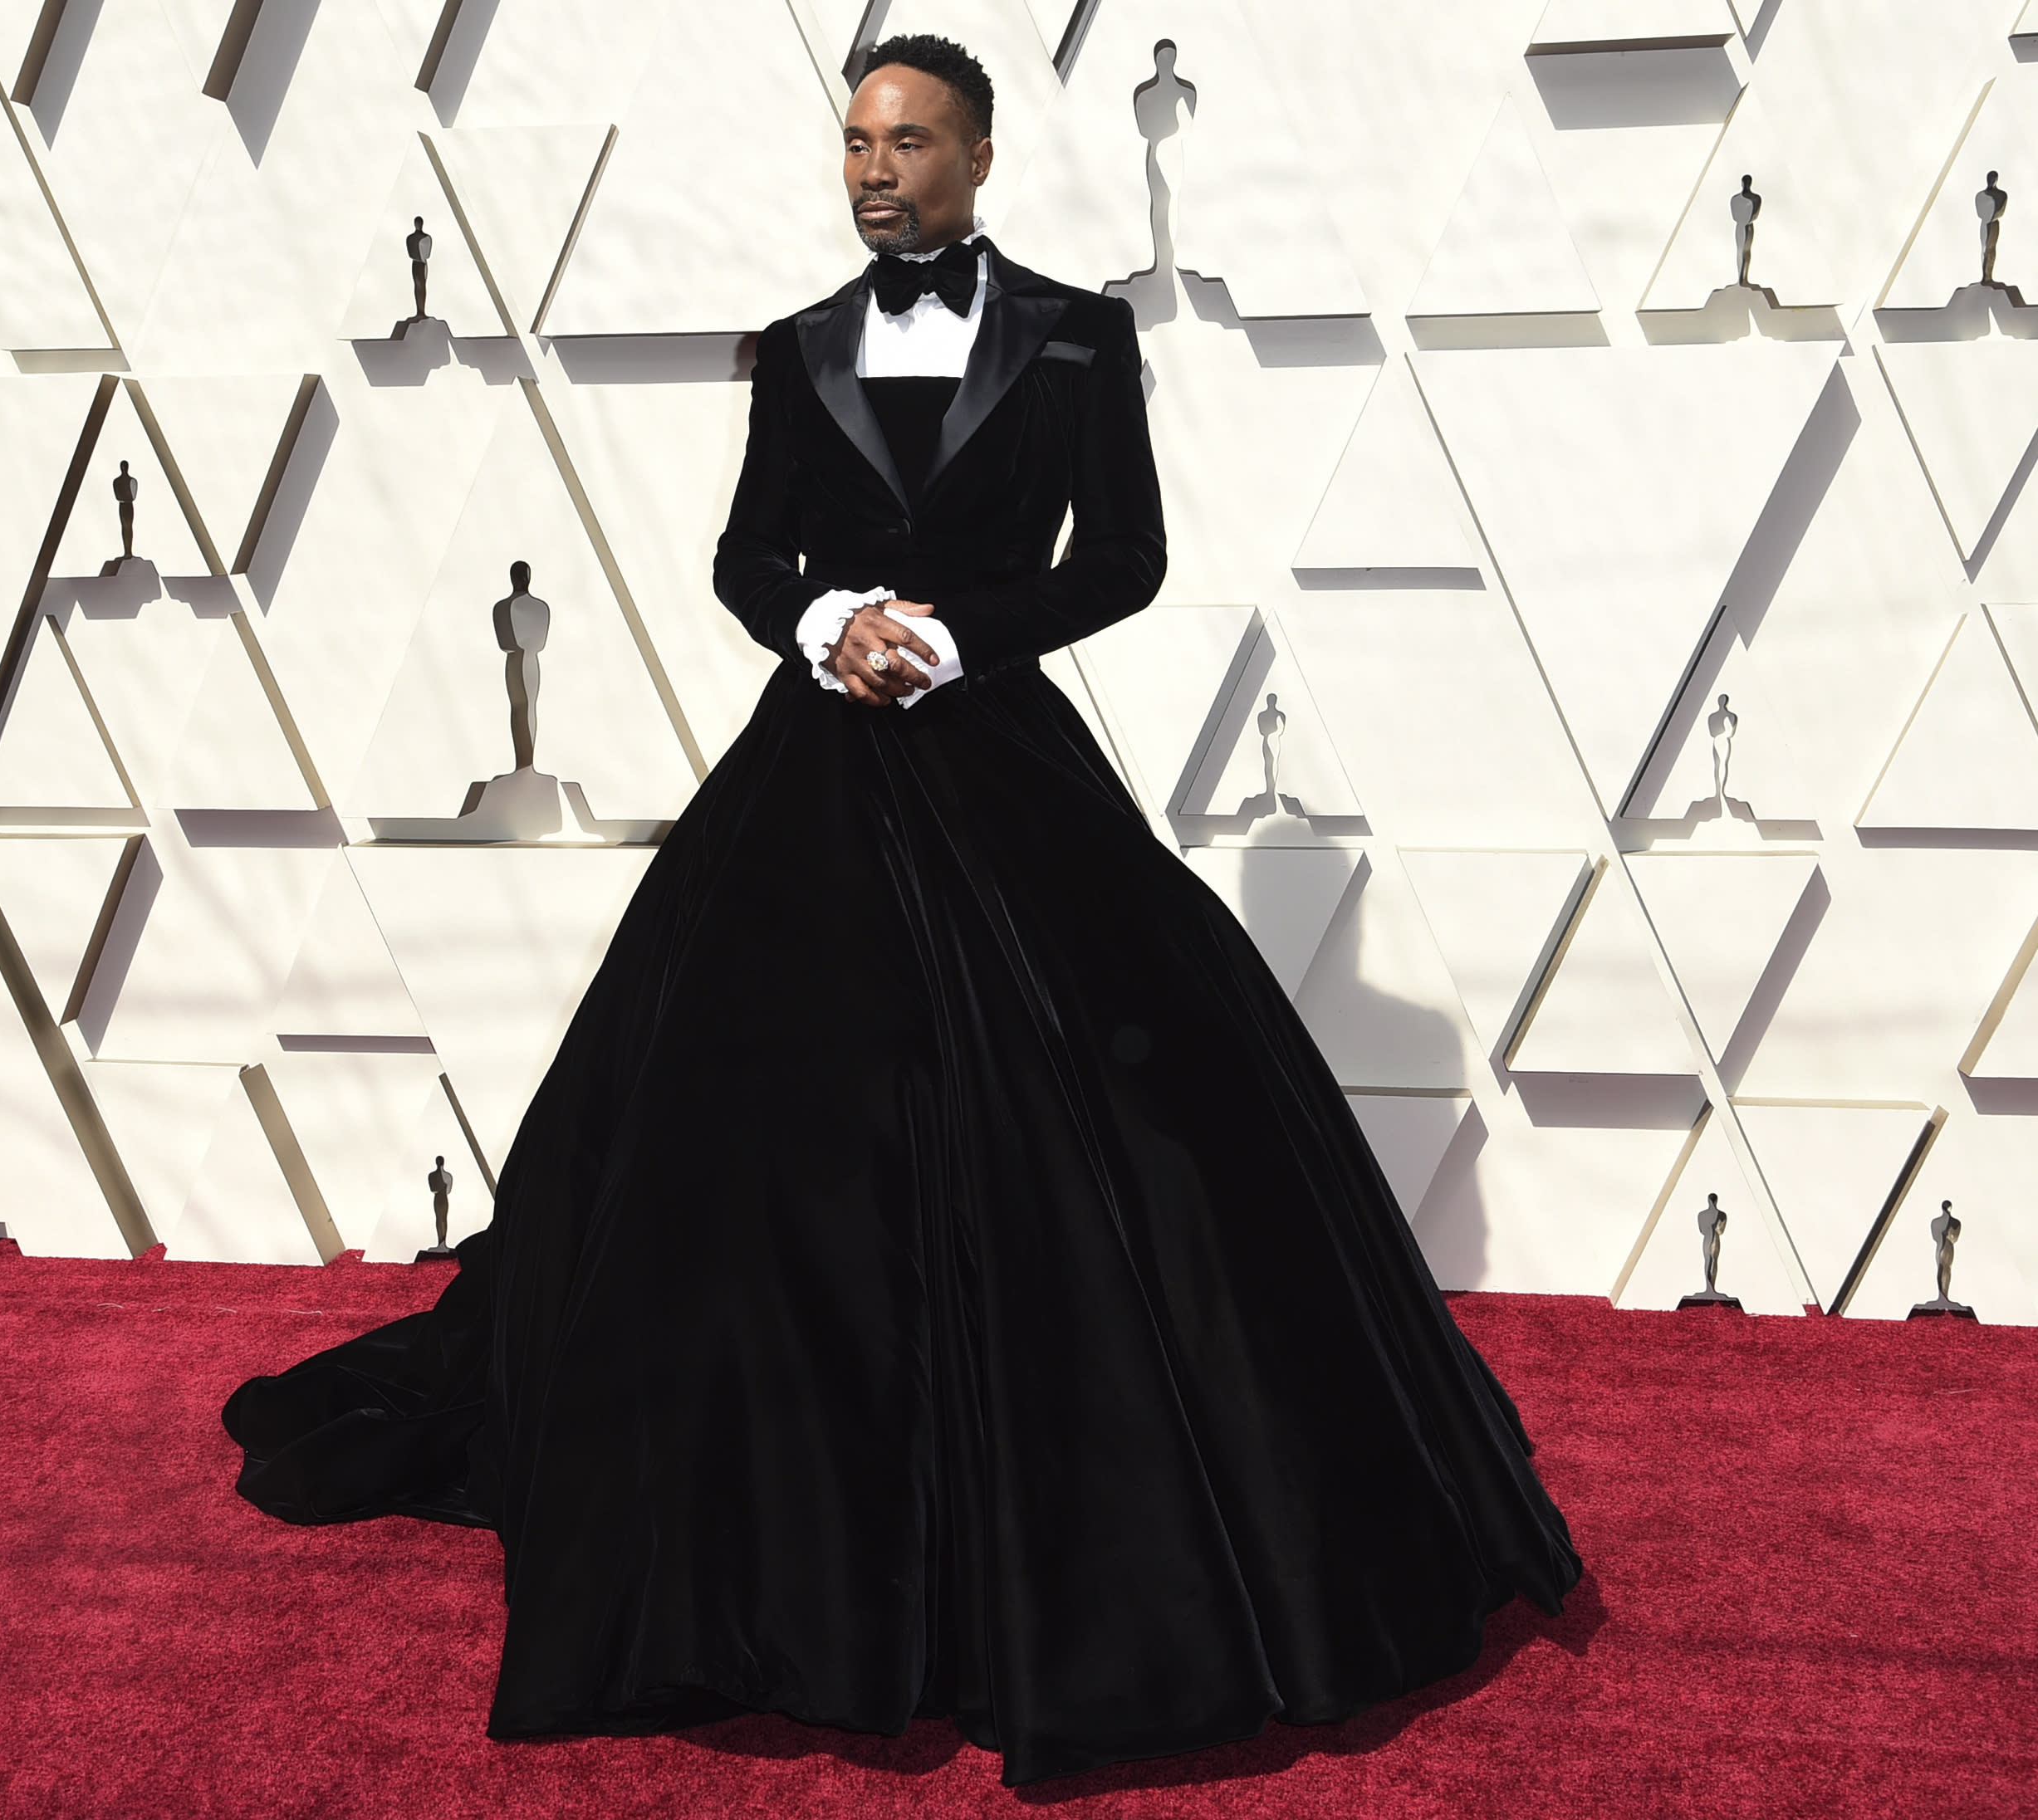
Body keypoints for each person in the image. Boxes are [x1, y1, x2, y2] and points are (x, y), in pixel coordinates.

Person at [222, 34, 1580, 1788]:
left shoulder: (1086, 335)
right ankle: (753, 1562)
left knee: (1123, 1133)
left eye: (908, 140)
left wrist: (956, 635)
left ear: (981, 157)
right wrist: (826, 619)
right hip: (815, 771)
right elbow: (743, 556)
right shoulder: (794, 352)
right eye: (854, 141)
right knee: (745, 1136)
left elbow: (1128, 557)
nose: (872, 170)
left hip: (999, 748)